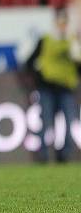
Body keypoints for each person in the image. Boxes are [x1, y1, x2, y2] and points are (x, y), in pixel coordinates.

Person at [24, 8, 80, 163]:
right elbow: (28, 62)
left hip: (66, 89)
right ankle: (43, 156)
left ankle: (64, 156)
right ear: (55, 23)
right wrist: (38, 80)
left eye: (64, 22)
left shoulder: (73, 43)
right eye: (59, 22)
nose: (62, 25)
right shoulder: (46, 40)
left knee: (70, 123)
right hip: (47, 88)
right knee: (46, 123)